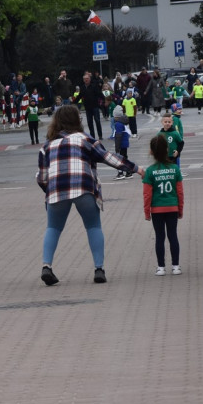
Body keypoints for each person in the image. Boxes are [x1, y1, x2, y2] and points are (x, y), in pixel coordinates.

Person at [35, 105, 143, 286]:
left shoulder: (47, 146)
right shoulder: (85, 140)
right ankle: (98, 269)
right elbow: (109, 157)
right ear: (77, 120)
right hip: (83, 186)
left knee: (53, 228)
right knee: (93, 226)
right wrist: (136, 168)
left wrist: (49, 191)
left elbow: (42, 177)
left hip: (57, 189)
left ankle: (47, 266)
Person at [142, 134, 184, 276]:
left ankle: (161, 267)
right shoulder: (175, 169)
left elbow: (147, 195)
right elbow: (180, 192)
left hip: (157, 209)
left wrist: (147, 212)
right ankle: (176, 266)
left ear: (151, 151)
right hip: (172, 207)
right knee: (173, 236)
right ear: (167, 149)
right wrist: (180, 209)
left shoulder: (149, 171)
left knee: (160, 237)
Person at [72, 72, 105, 140]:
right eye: (85, 79)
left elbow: (99, 93)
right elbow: (80, 96)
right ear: (83, 80)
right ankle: (92, 136)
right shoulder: (82, 87)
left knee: (97, 120)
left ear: (89, 79)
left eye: (87, 78)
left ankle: (100, 135)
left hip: (95, 106)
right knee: (90, 122)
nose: (86, 80)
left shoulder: (94, 86)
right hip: (87, 107)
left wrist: (104, 100)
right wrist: (74, 102)